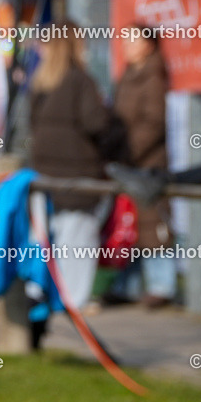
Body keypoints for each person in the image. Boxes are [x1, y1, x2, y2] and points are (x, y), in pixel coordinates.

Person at [29, 21, 114, 314]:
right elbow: (96, 124)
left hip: (46, 177)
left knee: (50, 244)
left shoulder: (40, 83)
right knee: (77, 247)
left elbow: (32, 127)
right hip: (79, 178)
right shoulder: (82, 81)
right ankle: (73, 309)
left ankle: (45, 300)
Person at [108, 25, 174, 308]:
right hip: (127, 164)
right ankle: (128, 285)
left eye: (132, 39)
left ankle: (162, 285)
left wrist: (130, 151)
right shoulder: (127, 75)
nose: (126, 45)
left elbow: (153, 123)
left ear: (149, 44)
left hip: (148, 165)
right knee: (130, 224)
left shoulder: (154, 76)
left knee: (153, 223)